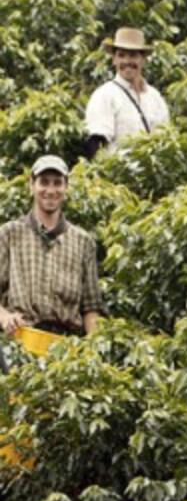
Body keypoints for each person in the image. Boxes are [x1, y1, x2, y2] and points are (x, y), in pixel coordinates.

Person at [0, 155, 103, 339]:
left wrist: (92, 348)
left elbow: (91, 307)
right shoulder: (9, 234)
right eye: (44, 182)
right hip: (21, 340)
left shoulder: (83, 241)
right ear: (31, 185)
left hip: (66, 347)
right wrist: (5, 317)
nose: (50, 190)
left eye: (57, 183)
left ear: (66, 187)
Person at [83, 27, 169, 158]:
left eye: (133, 55)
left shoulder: (155, 97)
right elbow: (95, 143)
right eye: (121, 55)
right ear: (114, 60)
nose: (127, 61)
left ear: (143, 59)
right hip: (116, 174)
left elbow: (165, 141)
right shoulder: (105, 95)